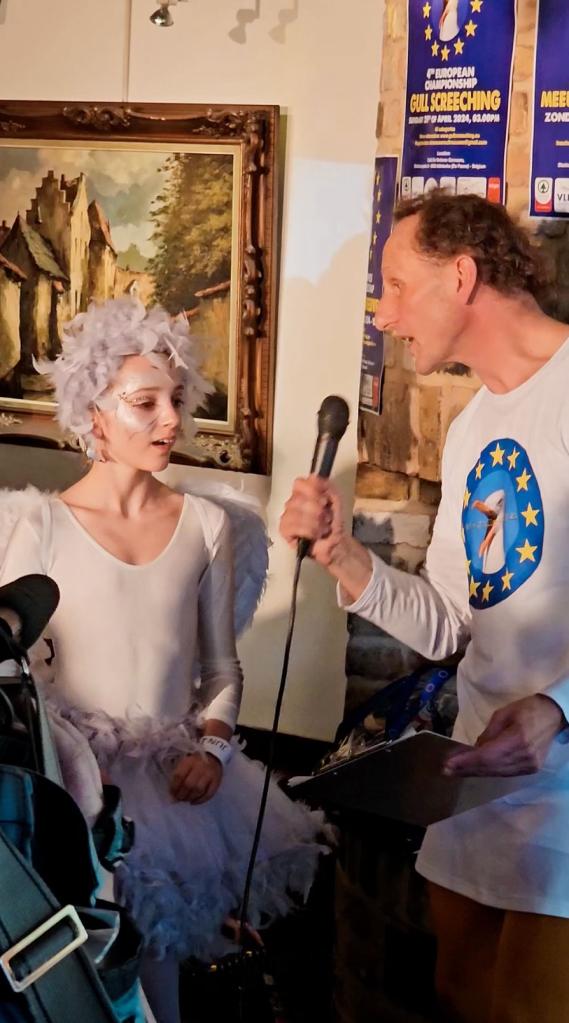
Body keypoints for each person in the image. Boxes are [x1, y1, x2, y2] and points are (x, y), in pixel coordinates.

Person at [280, 190, 569, 1023]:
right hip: (477, 783)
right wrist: (343, 555)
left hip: (559, 787)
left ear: (462, 274)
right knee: (459, 998)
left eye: (397, 285)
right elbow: (449, 618)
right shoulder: (474, 426)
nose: (383, 313)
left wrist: (554, 707)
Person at [0, 297, 328, 1023]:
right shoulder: (38, 526)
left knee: (163, 984)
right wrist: (73, 764)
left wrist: (213, 746)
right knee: (79, 977)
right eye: (144, 402)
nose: (172, 420)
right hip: (78, 791)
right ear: (92, 414)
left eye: (176, 400)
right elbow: (17, 678)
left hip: (177, 793)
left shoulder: (207, 525)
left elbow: (220, 668)